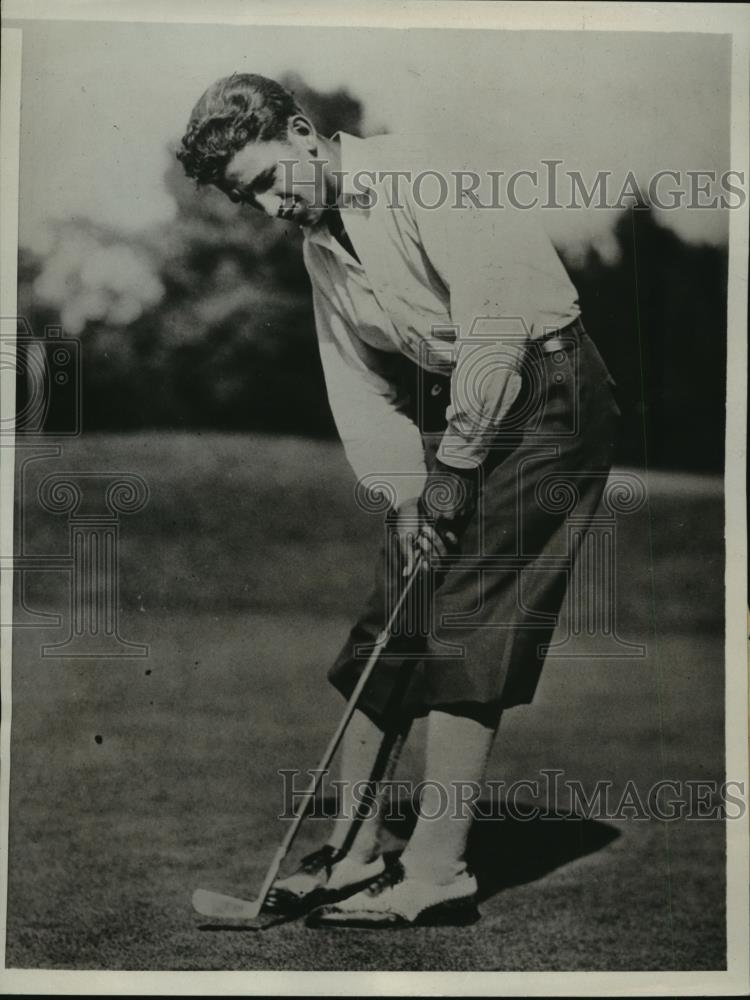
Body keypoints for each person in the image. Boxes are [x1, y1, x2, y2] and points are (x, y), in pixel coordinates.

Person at [176, 73, 621, 928]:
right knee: (396, 610)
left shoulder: (422, 175)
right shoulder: (320, 248)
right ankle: (352, 851)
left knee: (465, 612)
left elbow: (493, 327)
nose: (270, 207)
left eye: (270, 179)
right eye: (249, 198)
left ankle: (438, 870)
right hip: (472, 402)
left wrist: (452, 467)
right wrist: (405, 495)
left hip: (551, 392)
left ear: (303, 133)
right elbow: (358, 384)